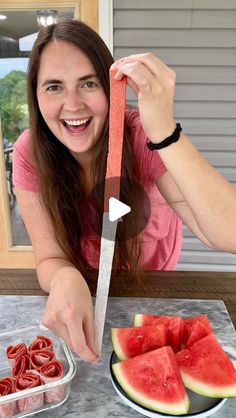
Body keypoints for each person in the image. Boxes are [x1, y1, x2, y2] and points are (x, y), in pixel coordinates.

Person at [13, 19, 236, 364]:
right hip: (80, 295)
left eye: (88, 83)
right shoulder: (30, 152)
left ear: (110, 86)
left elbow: (229, 233)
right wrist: (64, 276)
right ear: (36, 95)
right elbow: (48, 257)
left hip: (148, 284)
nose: (73, 105)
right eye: (54, 87)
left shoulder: (141, 137)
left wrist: (163, 129)